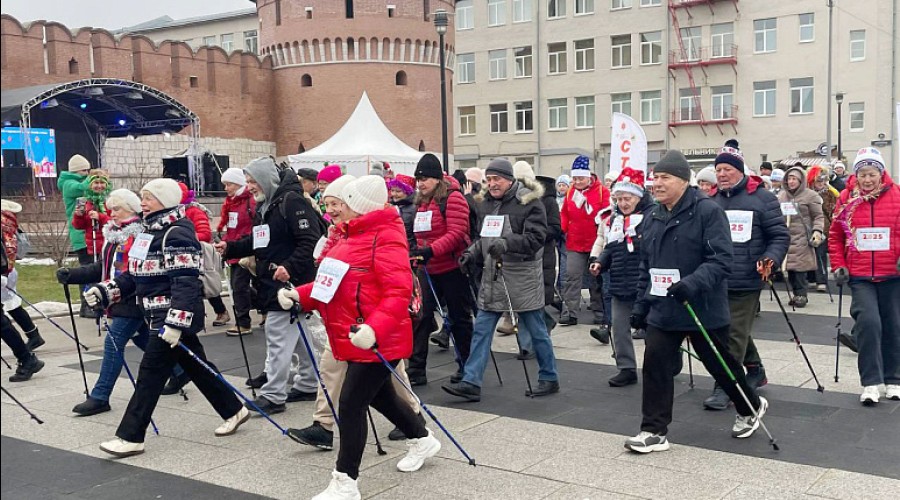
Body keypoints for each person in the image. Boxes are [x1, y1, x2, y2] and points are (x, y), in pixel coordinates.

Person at [279, 175, 441, 500]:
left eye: (345, 202)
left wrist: (374, 329)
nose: (337, 208)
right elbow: (330, 283)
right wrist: (300, 295)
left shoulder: (386, 236)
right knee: (380, 396)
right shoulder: (347, 235)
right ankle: (422, 438)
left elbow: (398, 291)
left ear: (360, 207)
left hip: (377, 337)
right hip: (353, 335)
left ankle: (345, 481)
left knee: (351, 404)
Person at [87, 179, 249, 457]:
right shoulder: (147, 231)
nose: (143, 202)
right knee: (197, 367)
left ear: (166, 201)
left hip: (170, 318)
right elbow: (134, 276)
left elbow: (186, 283)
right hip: (156, 315)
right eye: (142, 197)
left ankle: (130, 436)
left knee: (149, 375)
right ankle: (234, 410)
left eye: (149, 197)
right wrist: (106, 291)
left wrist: (175, 323)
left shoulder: (177, 233)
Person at [625, 150, 769, 453]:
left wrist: (692, 284)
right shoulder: (652, 215)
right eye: (655, 177)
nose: (657, 183)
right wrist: (641, 305)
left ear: (682, 181)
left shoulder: (707, 211)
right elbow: (646, 266)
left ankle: (750, 406)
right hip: (664, 307)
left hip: (701, 306)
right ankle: (653, 431)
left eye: (664, 178)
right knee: (655, 365)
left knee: (721, 367)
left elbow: (721, 260)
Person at [444, 158, 560, 401]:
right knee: (482, 330)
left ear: (509, 180)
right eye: (489, 179)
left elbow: (536, 238)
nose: (493, 183)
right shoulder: (485, 204)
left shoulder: (529, 202)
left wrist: (507, 243)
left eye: (497, 179)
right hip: (494, 276)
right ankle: (471, 381)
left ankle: (549, 377)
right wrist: (471, 253)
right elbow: (483, 238)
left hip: (522, 277)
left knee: (537, 330)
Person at [59, 189, 182, 416]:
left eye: (117, 209)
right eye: (110, 209)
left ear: (131, 209)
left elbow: (135, 272)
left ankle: (100, 396)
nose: (112, 213)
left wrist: (113, 291)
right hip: (116, 297)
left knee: (113, 343)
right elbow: (103, 267)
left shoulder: (140, 234)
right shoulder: (115, 233)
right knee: (143, 338)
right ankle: (180, 370)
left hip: (132, 298)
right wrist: (73, 275)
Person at [217, 157, 323, 413]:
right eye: (248, 181)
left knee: (277, 336)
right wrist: (230, 247)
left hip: (288, 284)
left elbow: (310, 240)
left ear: (266, 179)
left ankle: (273, 394)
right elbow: (259, 240)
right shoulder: (268, 204)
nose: (250, 186)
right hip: (275, 281)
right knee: (299, 335)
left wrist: (289, 266)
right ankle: (309, 382)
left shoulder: (290, 201)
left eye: (253, 181)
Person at [706, 142, 790, 410]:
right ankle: (754, 368)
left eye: (727, 169)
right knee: (726, 331)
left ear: (740, 171)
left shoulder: (763, 198)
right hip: (716, 279)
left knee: (732, 334)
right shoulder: (711, 200)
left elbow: (779, 236)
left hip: (746, 278)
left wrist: (770, 259)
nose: (722, 174)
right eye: (718, 169)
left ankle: (726, 387)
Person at [830, 147, 900, 405]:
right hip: (860, 276)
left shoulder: (897, 195)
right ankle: (871, 383)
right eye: (862, 174)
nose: (867, 179)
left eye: (872, 174)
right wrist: (838, 264)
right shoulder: (846, 198)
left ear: (881, 173)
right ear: (856, 175)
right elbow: (835, 236)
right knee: (869, 324)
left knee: (893, 327)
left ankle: (894, 379)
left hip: (892, 275)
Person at [406, 153, 474, 386]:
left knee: (459, 318)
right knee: (421, 317)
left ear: (437, 179)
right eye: (418, 179)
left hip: (452, 267)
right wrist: (417, 251)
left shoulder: (453, 198)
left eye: (425, 179)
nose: (421, 183)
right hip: (427, 267)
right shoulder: (421, 202)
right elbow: (419, 232)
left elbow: (457, 233)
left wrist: (431, 250)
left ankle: (467, 367)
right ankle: (416, 369)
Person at [590, 168, 653, 386]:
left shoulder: (651, 217)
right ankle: (626, 368)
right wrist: (600, 261)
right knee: (619, 328)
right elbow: (611, 247)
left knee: (653, 329)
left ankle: (660, 365)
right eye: (619, 199)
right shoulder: (615, 219)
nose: (623, 203)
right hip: (619, 280)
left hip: (645, 281)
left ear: (639, 197)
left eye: (628, 199)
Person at [511, 161, 561, 357]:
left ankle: (527, 346)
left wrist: (533, 235)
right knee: (524, 302)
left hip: (542, 256)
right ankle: (536, 334)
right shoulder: (512, 200)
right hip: (518, 255)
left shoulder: (547, 200)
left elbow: (555, 228)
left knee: (533, 302)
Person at [559, 155, 610, 326]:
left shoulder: (602, 191)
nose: (577, 182)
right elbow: (565, 213)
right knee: (571, 277)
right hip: (575, 242)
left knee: (596, 278)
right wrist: (563, 228)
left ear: (589, 177)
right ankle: (569, 312)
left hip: (596, 242)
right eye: (575, 179)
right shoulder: (570, 192)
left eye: (581, 178)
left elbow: (608, 213)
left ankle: (599, 311)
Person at [777, 166, 825, 308]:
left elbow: (818, 216)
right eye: (789, 179)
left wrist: (817, 231)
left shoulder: (811, 196)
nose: (791, 181)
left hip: (802, 236)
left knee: (799, 267)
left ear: (801, 180)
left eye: (794, 179)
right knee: (790, 267)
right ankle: (796, 293)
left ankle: (801, 295)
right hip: (785, 236)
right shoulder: (782, 196)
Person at [1, 199, 45, 350]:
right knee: (12, 303)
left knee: (10, 305)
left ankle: (30, 339)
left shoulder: (3, 225)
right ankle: (33, 334)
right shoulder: (10, 224)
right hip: (9, 270)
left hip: (4, 271)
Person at [218, 168, 257, 336]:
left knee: (240, 287)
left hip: (247, 250)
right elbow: (231, 227)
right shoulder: (231, 203)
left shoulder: (250, 202)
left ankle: (243, 322)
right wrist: (225, 242)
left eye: (229, 184)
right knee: (239, 286)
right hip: (234, 249)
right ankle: (261, 310)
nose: (226, 188)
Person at [58, 154, 97, 318]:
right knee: (87, 271)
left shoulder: (77, 182)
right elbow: (83, 188)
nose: (87, 174)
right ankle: (86, 305)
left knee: (93, 270)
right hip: (81, 235)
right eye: (84, 171)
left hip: (89, 233)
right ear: (75, 171)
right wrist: (94, 177)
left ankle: (93, 303)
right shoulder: (68, 184)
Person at [2, 239, 44, 382]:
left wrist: (3, 274)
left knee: (3, 323)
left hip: (4, 272)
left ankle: (27, 359)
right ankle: (27, 358)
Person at [807, 165, 840, 292]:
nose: (821, 183)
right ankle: (811, 278)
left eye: (823, 180)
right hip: (808, 227)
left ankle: (821, 281)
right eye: (818, 181)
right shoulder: (806, 194)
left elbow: (834, 212)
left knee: (820, 254)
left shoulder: (831, 194)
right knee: (809, 253)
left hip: (824, 228)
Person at [70, 170, 112, 260]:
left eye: (102, 183)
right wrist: (78, 216)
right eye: (96, 183)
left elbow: (117, 223)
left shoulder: (112, 202)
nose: (99, 186)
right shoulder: (86, 202)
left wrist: (100, 217)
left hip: (109, 246)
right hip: (92, 248)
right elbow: (78, 226)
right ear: (90, 185)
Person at [388, 174, 417, 250]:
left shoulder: (414, 208)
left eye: (398, 191)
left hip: (409, 249)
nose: (394, 194)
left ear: (408, 192)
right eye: (392, 190)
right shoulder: (390, 206)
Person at [554, 174, 571, 295]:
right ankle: (558, 286)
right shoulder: (555, 200)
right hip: (556, 232)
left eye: (564, 185)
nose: (561, 187)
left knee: (565, 258)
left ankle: (563, 286)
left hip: (566, 232)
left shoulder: (570, 199)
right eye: (559, 185)